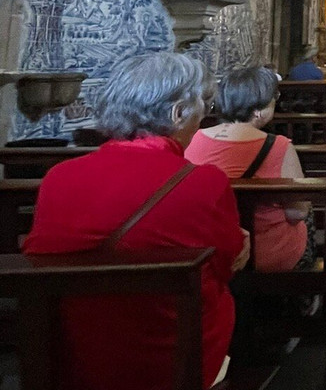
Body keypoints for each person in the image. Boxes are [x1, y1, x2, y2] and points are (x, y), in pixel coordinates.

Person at [23, 52, 248, 390]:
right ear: (178, 113)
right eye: (205, 107)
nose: (204, 118)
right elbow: (225, 265)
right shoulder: (205, 182)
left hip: (76, 358)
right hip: (169, 357)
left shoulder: (59, 176)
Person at [186, 66, 311, 273]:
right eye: (274, 97)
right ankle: (302, 298)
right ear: (259, 110)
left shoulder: (193, 138)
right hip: (266, 254)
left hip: (207, 252)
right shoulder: (279, 147)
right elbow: (296, 212)